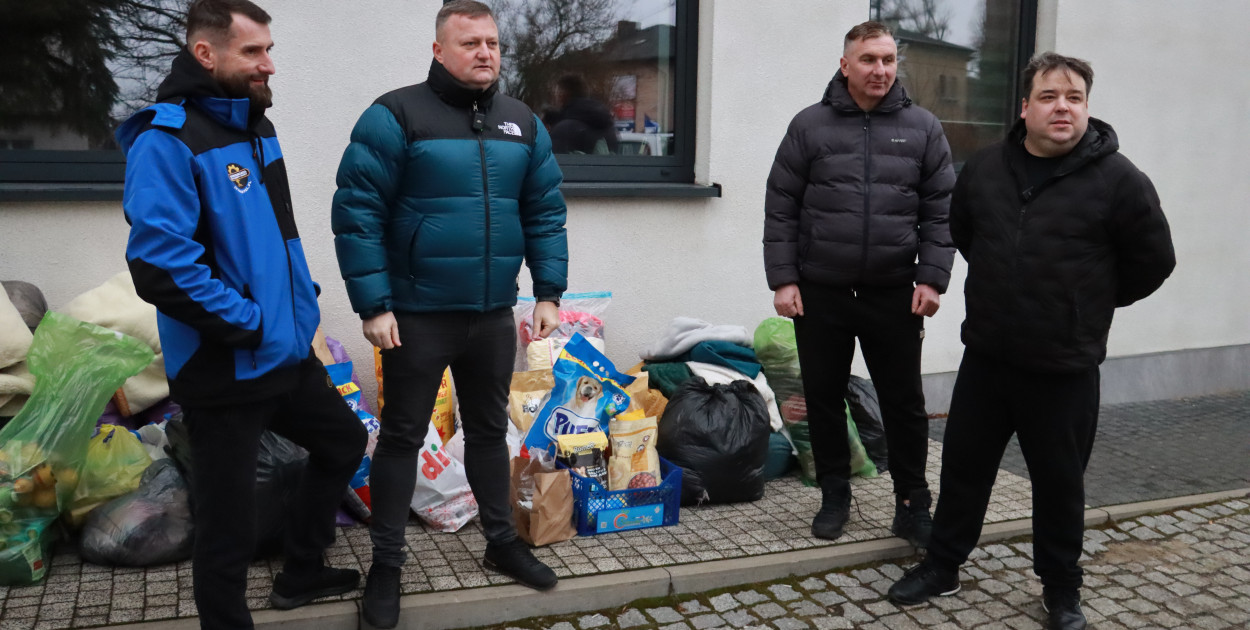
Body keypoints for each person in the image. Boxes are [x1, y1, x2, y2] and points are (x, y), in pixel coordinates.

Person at [886, 53, 1175, 630]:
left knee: (1060, 486)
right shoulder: (988, 168)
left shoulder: (1121, 181)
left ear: (1087, 108)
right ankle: (943, 565)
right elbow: (966, 233)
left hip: (1063, 367)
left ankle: (1062, 591)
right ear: (1026, 107)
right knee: (965, 471)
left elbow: (1154, 262)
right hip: (988, 359)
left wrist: (1086, 304)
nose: (1062, 106)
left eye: (1074, 97)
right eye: (1049, 96)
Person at [117, 1, 368, 628]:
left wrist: (297, 308)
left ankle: (302, 568)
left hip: (282, 351)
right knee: (226, 532)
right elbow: (162, 268)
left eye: (269, 49)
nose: (270, 65)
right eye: (253, 52)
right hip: (224, 366)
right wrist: (255, 323)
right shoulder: (166, 139)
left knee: (343, 442)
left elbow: (276, 240)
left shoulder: (255, 127)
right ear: (207, 53)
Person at [330, 1, 568, 627]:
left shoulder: (522, 123)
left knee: (489, 431)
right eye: (470, 43)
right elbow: (358, 212)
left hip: (491, 312)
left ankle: (501, 543)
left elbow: (544, 212)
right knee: (403, 436)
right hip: (416, 314)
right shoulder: (396, 115)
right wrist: (374, 303)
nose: (485, 52)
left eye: (492, 42)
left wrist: (548, 292)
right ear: (439, 50)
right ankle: (387, 564)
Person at [762, 21, 955, 547]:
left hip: (894, 293)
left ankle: (913, 503)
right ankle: (834, 495)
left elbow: (941, 212)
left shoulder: (922, 127)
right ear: (845, 65)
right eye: (869, 59)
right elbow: (782, 207)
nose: (881, 70)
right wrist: (783, 279)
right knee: (824, 398)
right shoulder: (810, 126)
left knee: (904, 403)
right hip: (821, 291)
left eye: (889, 60)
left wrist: (932, 278)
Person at [545, 74, 619, 155]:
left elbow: (551, 163)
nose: (556, 97)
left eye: (557, 93)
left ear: (563, 94)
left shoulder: (564, 130)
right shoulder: (609, 128)